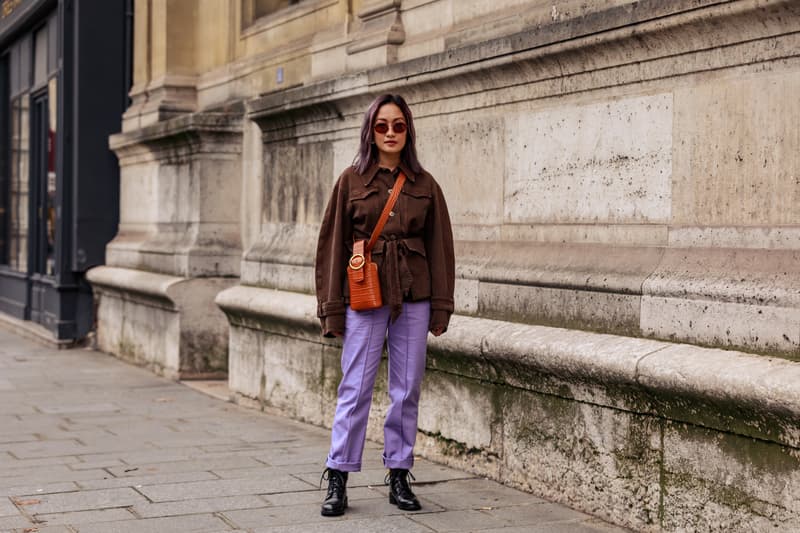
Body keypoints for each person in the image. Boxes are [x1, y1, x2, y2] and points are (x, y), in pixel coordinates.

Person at [315, 94, 455, 517]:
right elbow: (332, 246)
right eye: (382, 126)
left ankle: (399, 473)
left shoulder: (425, 184)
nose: (391, 133)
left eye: (398, 125)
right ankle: (337, 475)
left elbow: (441, 247)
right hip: (364, 293)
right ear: (370, 132)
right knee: (355, 388)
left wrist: (441, 306)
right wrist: (331, 307)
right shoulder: (351, 181)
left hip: (414, 293)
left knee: (406, 388)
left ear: (408, 130)